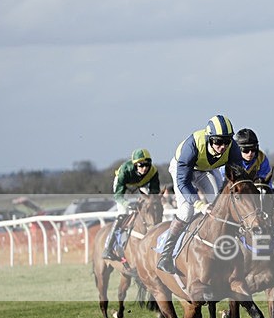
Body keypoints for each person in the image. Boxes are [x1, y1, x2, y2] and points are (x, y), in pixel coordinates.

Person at [158, 114, 244, 273]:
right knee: (187, 211)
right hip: (183, 170)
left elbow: (236, 177)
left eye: (226, 141)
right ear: (210, 138)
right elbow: (183, 182)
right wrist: (199, 204)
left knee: (222, 205)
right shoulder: (191, 147)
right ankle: (166, 255)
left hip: (206, 170)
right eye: (218, 141)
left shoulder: (233, 148)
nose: (223, 146)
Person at [102, 148, 161, 261]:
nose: (144, 168)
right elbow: (118, 196)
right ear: (135, 165)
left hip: (141, 185)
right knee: (123, 212)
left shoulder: (153, 171)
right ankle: (108, 248)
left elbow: (154, 193)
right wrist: (127, 203)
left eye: (147, 165)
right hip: (124, 186)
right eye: (141, 165)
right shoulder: (125, 170)